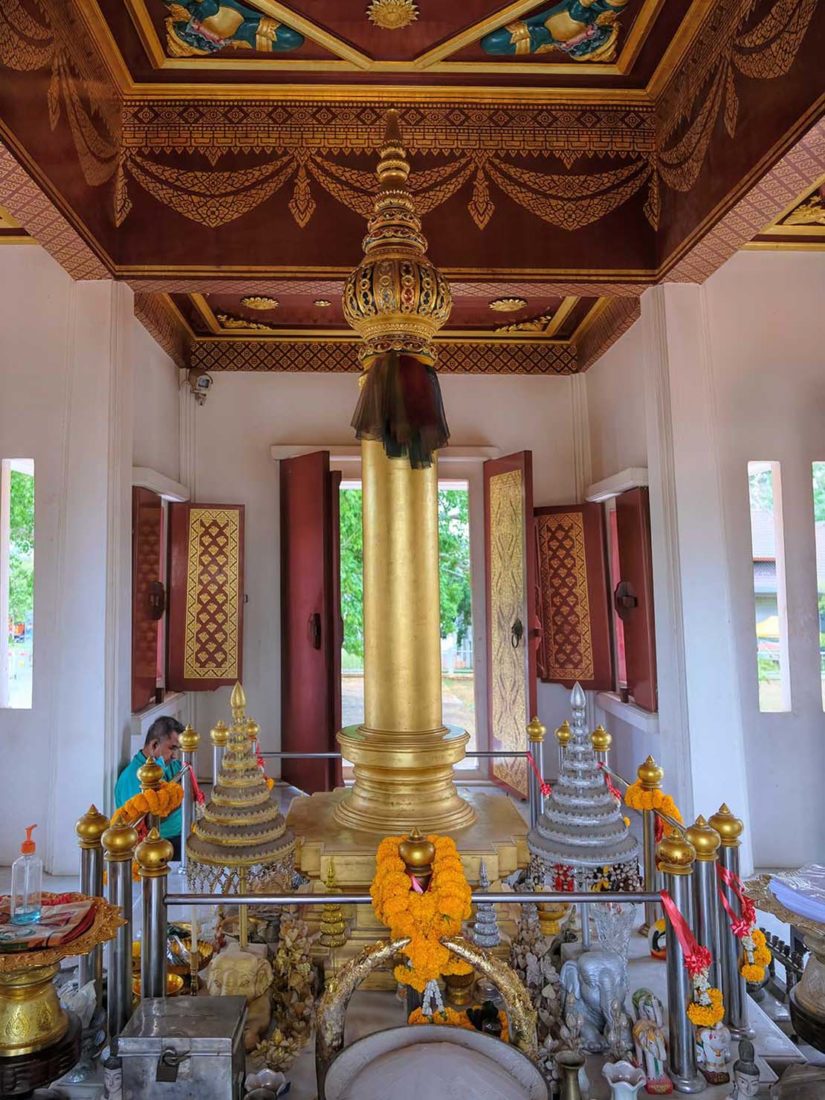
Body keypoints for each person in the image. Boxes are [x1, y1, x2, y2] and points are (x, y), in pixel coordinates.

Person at [114, 717, 184, 860]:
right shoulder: (133, 777)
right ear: (154, 745)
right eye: (172, 748)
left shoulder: (168, 765)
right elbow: (143, 821)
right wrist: (178, 797)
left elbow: (186, 777)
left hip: (180, 837)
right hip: (157, 846)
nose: (175, 755)